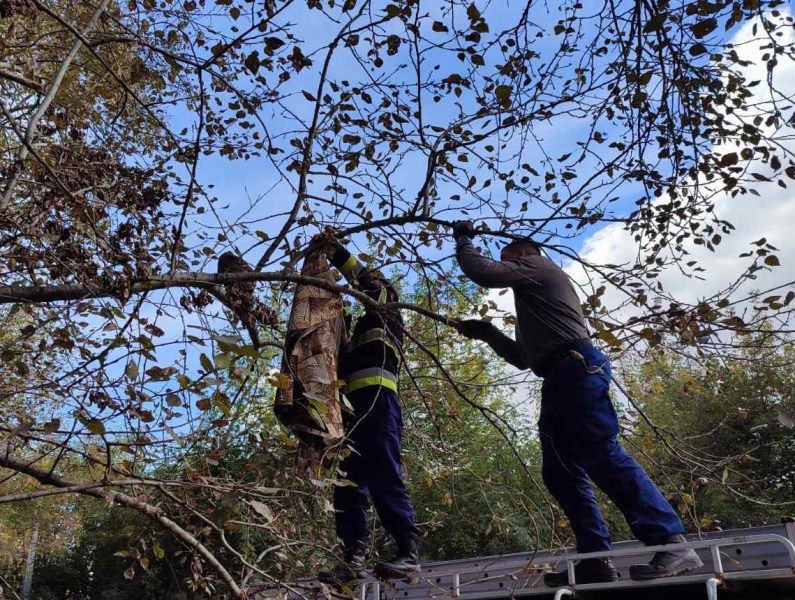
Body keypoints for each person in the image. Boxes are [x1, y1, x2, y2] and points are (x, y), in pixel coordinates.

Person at [450, 221, 703, 585]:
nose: (508, 267)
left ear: (521, 253)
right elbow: (524, 359)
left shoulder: (539, 266)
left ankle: (671, 540)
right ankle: (594, 559)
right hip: (558, 376)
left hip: (576, 367)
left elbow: (481, 272)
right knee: (560, 472)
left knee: (601, 452)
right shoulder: (535, 307)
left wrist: (464, 238)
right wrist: (487, 333)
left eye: (508, 259)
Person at [312, 235, 421, 584]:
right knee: (347, 485)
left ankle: (408, 552)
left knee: (384, 474)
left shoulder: (387, 310)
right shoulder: (356, 333)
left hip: (378, 401)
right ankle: (352, 558)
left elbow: (367, 281)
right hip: (351, 411)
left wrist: (335, 251)